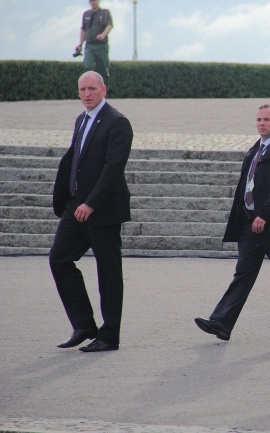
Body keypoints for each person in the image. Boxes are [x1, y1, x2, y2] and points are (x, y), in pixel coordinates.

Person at [194, 105, 270, 342]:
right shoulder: (253, 151)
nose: (262, 123)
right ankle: (222, 322)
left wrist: (265, 215)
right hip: (251, 226)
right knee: (243, 275)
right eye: (259, 119)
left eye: (267, 119)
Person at [50, 71, 132, 352]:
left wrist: (91, 202)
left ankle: (109, 336)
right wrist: (72, 199)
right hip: (75, 206)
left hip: (103, 210)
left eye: (92, 89)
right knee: (59, 260)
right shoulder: (81, 119)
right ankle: (84, 325)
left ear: (104, 90)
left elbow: (112, 168)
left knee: (108, 273)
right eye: (82, 89)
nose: (86, 94)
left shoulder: (118, 122)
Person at [76, 0, 113, 86]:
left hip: (101, 45)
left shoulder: (105, 13)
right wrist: (80, 44)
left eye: (95, 0)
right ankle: (87, 90)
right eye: (91, 1)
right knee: (88, 67)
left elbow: (110, 25)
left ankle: (103, 92)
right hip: (90, 45)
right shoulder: (86, 14)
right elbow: (83, 30)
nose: (93, 2)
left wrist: (103, 35)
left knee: (103, 69)